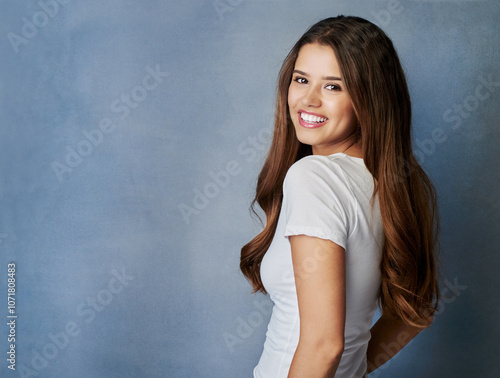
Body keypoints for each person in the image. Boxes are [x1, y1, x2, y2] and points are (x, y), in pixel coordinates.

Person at [240, 15, 440, 378]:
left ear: (369, 98)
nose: (309, 99)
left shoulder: (313, 177)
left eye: (334, 87)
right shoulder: (392, 186)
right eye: (301, 80)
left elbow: (324, 345)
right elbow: (414, 312)